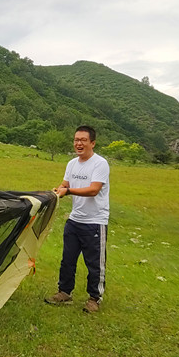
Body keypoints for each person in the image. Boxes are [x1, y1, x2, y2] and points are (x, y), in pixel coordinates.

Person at [45, 125, 110, 314]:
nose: (78, 143)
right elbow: (65, 184)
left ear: (92, 143)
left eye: (83, 140)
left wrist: (69, 191)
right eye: (76, 140)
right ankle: (64, 292)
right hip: (74, 220)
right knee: (68, 259)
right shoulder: (72, 164)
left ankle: (94, 298)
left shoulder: (100, 163)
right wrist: (56, 192)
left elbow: (93, 189)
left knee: (94, 263)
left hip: (95, 222)